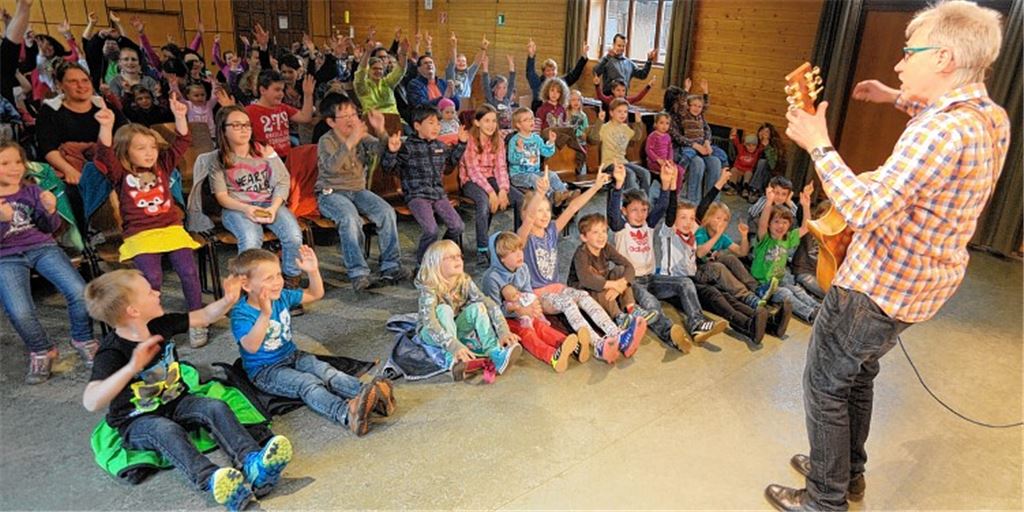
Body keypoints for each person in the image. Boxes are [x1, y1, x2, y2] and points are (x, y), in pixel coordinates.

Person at [766, 2, 1009, 510]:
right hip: (923, 287)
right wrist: (895, 96)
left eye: (907, 53)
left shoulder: (937, 132)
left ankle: (824, 498)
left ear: (943, 57)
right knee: (858, 374)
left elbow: (865, 208)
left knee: (826, 386)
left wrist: (819, 144)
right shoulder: (989, 116)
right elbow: (939, 120)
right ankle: (847, 472)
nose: (898, 64)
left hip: (876, 284)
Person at [82, 269, 292, 511]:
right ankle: (213, 481)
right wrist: (132, 367)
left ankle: (253, 463)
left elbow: (203, 316)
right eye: (149, 291)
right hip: (137, 420)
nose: (157, 292)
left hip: (177, 401)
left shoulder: (161, 324)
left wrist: (228, 300)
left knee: (214, 406)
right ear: (133, 311)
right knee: (165, 430)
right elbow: (91, 401)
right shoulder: (112, 352)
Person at [228, 247, 393, 435]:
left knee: (326, 371)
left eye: (278, 275)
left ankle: (368, 393)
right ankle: (346, 414)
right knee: (308, 383)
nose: (277, 282)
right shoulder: (241, 314)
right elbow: (251, 346)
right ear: (246, 285)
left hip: (292, 355)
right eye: (268, 278)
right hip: (265, 371)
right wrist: (265, 314)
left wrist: (313, 271)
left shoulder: (282, 296)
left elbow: (315, 294)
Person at [94, 94, 210, 348]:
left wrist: (180, 116)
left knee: (189, 271)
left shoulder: (163, 166)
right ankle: (151, 322)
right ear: (126, 151)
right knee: (151, 279)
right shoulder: (120, 173)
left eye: (152, 147)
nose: (149, 153)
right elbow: (104, 153)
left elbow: (182, 141)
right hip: (140, 234)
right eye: (140, 148)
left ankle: (197, 318)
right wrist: (105, 125)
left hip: (170, 229)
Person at [0, 141, 97, 384]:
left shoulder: (31, 190)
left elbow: (48, 229)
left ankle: (83, 338)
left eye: (18, 162)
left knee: (78, 291)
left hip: (41, 247)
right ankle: (42, 350)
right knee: (20, 311)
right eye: (4, 163)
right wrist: (2, 221)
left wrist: (50, 210)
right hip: (6, 256)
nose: (14, 168)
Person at [518, 170, 638, 364]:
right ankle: (598, 344)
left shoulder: (551, 231)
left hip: (557, 288)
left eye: (547, 210)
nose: (544, 215)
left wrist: (597, 186)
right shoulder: (523, 238)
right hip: (539, 295)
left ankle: (617, 334)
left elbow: (573, 207)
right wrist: (540, 194)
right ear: (526, 212)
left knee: (582, 296)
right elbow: (530, 219)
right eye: (539, 210)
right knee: (568, 303)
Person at [607, 161, 727, 350]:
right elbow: (612, 214)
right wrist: (618, 186)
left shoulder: (649, 225)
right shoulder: (621, 228)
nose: (640, 215)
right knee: (651, 304)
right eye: (634, 210)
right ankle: (670, 334)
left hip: (652, 278)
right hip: (633, 282)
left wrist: (665, 183)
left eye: (644, 210)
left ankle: (697, 324)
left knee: (685, 282)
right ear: (624, 211)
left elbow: (663, 206)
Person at [199, 105, 306, 290]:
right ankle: (251, 287)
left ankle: (290, 282)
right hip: (237, 207)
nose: (244, 129)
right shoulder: (218, 159)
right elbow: (222, 197)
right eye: (237, 125)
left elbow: (282, 181)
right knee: (250, 239)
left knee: (293, 235)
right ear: (223, 129)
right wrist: (247, 209)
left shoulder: (263, 149)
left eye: (247, 125)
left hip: (269, 203)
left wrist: (273, 207)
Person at [316, 98, 411, 291]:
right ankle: (358, 273)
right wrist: (352, 140)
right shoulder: (326, 140)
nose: (351, 119)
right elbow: (332, 167)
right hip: (331, 193)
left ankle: (391, 266)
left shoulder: (360, 135)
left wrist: (381, 130)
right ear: (331, 122)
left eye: (353, 114)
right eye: (345, 116)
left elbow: (379, 149)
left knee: (386, 212)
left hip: (358, 190)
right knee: (350, 218)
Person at [415, 239, 522, 379]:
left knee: (479, 307)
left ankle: (494, 353)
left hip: (454, 328)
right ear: (436, 264)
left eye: (459, 256)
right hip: (431, 333)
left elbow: (489, 303)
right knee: (444, 310)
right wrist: (454, 347)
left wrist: (503, 331)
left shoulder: (464, 280)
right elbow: (430, 324)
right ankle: (452, 361)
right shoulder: (429, 288)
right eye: (451, 257)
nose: (457, 259)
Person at [482, 232, 583, 373]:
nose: (519, 254)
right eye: (513, 252)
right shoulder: (491, 278)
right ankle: (552, 356)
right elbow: (494, 310)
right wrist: (519, 311)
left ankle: (568, 344)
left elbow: (528, 291)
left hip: (524, 311)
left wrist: (533, 306)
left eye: (519, 249)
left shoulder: (523, 268)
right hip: (504, 320)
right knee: (528, 333)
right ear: (501, 258)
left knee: (541, 325)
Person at [380, 105, 467, 263]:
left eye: (438, 123)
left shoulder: (440, 146)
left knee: (458, 226)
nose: (437, 127)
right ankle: (423, 264)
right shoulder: (407, 147)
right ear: (417, 125)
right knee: (431, 230)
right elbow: (389, 169)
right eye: (431, 123)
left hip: (438, 194)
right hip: (417, 195)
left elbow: (449, 167)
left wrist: (461, 144)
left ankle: (441, 253)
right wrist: (392, 152)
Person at [458, 105, 522, 267]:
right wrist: (491, 193)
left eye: (494, 121)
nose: (491, 125)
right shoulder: (470, 140)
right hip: (471, 181)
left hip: (492, 178)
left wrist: (502, 190)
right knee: (483, 202)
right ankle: (482, 249)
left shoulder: (498, 139)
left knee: (520, 199)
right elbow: (473, 172)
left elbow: (501, 168)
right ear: (477, 122)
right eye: (486, 121)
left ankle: (519, 242)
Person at [751, 184, 818, 329]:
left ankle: (820, 308)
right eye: (776, 222)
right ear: (769, 224)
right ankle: (811, 314)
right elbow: (762, 224)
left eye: (785, 222)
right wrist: (769, 202)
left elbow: (806, 227)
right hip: (763, 285)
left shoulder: (788, 238)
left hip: (779, 281)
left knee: (797, 289)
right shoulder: (765, 238)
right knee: (786, 293)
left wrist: (806, 205)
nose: (780, 226)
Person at [507, 108, 575, 205]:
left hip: (535, 172)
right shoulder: (514, 140)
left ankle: (565, 194)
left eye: (532, 118)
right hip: (519, 175)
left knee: (551, 174)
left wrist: (551, 142)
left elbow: (546, 153)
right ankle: (552, 197)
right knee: (534, 178)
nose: (531, 121)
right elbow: (512, 160)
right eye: (526, 120)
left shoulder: (536, 138)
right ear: (518, 125)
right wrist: (519, 150)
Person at [245, 70, 314, 160]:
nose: (281, 94)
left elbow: (305, 117)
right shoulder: (249, 111)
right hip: (265, 160)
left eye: (282, 90)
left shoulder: (283, 108)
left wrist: (308, 95)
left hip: (287, 158)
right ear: (262, 90)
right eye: (277, 90)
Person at [592, 98, 651, 193]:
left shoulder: (625, 128)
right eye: (619, 111)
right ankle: (630, 202)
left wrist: (638, 122)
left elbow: (636, 137)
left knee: (645, 173)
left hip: (623, 162)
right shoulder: (605, 127)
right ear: (611, 113)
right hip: (609, 163)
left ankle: (643, 202)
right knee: (630, 174)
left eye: (625, 112)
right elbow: (593, 138)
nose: (623, 114)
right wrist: (599, 121)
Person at [525, 38, 588, 110]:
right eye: (548, 70)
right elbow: (530, 73)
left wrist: (583, 57)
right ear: (543, 72)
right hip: (540, 112)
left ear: (556, 71)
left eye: (553, 70)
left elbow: (574, 75)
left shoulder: (560, 82)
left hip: (557, 113)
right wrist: (531, 56)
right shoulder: (538, 83)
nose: (551, 73)